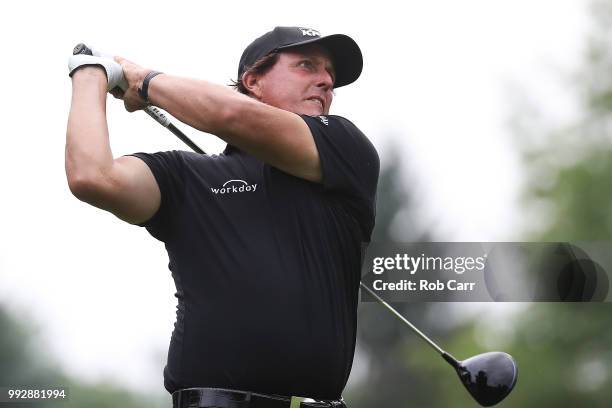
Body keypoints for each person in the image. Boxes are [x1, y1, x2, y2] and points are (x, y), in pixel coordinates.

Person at [65, 26, 379, 408]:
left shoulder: (343, 148)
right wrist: (89, 74)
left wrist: (143, 80)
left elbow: (228, 114)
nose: (326, 81)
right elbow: (92, 177)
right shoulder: (185, 177)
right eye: (306, 65)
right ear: (253, 81)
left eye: (329, 73)